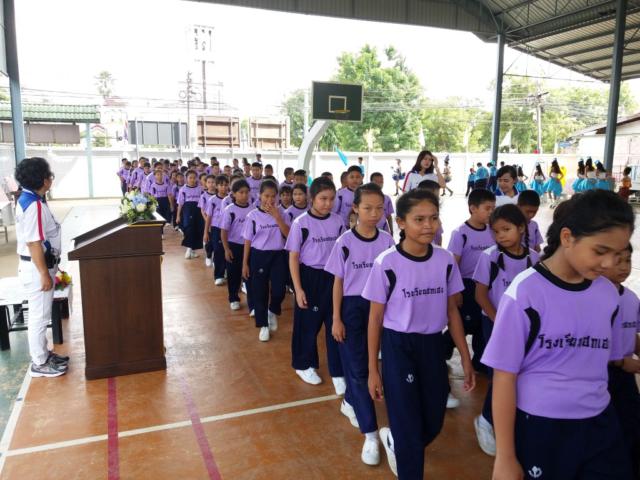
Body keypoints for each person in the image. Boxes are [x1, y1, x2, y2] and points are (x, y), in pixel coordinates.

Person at [484, 190, 635, 480]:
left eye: (617, 254)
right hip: (542, 426)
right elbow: (504, 377)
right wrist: (505, 456)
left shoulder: (608, 294)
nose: (608, 264)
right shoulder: (525, 293)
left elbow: (607, 358)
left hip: (599, 422)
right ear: (567, 237)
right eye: (600, 251)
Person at [364, 188, 475, 479]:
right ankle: (406, 451)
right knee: (407, 422)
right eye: (419, 219)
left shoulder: (445, 260)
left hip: (432, 344)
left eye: (434, 218)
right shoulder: (387, 263)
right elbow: (375, 318)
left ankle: (398, 442)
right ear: (401, 222)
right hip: (398, 346)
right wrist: (373, 370)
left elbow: (452, 311)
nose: (428, 225)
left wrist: (465, 357)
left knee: (434, 419)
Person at [325, 183, 395, 466]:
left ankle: (350, 401)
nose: (374, 213)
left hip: (381, 307)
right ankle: (371, 434)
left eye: (379, 208)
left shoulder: (387, 241)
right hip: (353, 308)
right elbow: (338, 282)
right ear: (355, 208)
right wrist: (336, 318)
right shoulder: (344, 242)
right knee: (357, 370)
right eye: (368, 208)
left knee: (379, 365)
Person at [472, 205, 539, 457]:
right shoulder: (489, 257)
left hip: (525, 327)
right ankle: (486, 420)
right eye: (496, 231)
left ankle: (511, 418)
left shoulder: (534, 259)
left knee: (521, 373)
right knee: (500, 374)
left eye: (506, 229)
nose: (501, 235)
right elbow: (480, 294)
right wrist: (498, 320)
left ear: (521, 228)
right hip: (495, 324)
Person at [285, 177, 345, 392]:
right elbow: (293, 257)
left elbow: (343, 252)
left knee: (335, 323)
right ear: (312, 198)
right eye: (323, 199)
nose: (328, 203)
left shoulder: (338, 221)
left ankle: (338, 371)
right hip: (310, 277)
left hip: (333, 277)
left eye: (332, 199)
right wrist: (298, 288)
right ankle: (303, 364)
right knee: (307, 324)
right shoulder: (301, 223)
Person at [15, 157, 69, 377]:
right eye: (49, 175)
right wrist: (44, 274)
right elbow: (34, 242)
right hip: (36, 268)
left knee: (41, 314)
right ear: (43, 180)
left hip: (38, 266)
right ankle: (39, 362)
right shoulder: (33, 205)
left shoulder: (31, 199)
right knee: (39, 317)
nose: (51, 179)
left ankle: (44, 354)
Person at [446, 189, 496, 373]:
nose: (491, 212)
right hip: (466, 285)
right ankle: (443, 347)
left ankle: (480, 361)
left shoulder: (493, 231)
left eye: (493, 208)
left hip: (486, 286)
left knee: (482, 323)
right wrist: (455, 291)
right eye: (487, 208)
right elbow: (453, 265)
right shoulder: (460, 233)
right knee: (466, 323)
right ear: (473, 208)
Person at [605, 244, 640, 479]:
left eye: (627, 260)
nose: (624, 267)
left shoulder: (632, 298)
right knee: (608, 430)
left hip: (625, 377)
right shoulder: (593, 298)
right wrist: (620, 362)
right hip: (602, 376)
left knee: (632, 425)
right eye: (617, 261)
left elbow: (632, 334)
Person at [242, 180, 289, 342]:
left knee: (279, 290)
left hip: (278, 255)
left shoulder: (282, 213)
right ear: (259, 196)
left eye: (273, 196)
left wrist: (277, 217)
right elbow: (247, 240)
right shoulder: (252, 216)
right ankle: (263, 325)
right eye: (266, 196)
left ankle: (272, 310)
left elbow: (289, 235)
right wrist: (245, 263)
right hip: (259, 255)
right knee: (260, 291)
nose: (270, 199)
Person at [221, 179, 253, 311]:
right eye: (241, 192)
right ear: (233, 194)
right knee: (233, 273)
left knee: (250, 274)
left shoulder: (253, 209)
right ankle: (233, 298)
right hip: (234, 245)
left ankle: (253, 303)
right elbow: (224, 231)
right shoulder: (229, 210)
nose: (244, 195)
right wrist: (226, 249)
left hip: (250, 247)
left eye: (246, 192)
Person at [203, 175, 230, 286]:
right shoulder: (212, 200)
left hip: (229, 230)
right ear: (217, 186)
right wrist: (206, 232)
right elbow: (209, 216)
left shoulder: (231, 199)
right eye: (221, 185)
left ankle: (227, 270)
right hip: (216, 229)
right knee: (218, 251)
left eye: (226, 185)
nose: (224, 187)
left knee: (228, 250)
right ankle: (219, 275)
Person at [176, 170, 204, 259]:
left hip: (198, 211)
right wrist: (178, 216)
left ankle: (193, 250)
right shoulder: (183, 189)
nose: (192, 180)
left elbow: (203, 202)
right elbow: (180, 204)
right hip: (187, 211)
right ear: (186, 179)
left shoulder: (200, 189)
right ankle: (188, 248)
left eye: (194, 178)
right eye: (190, 178)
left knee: (197, 230)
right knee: (189, 228)